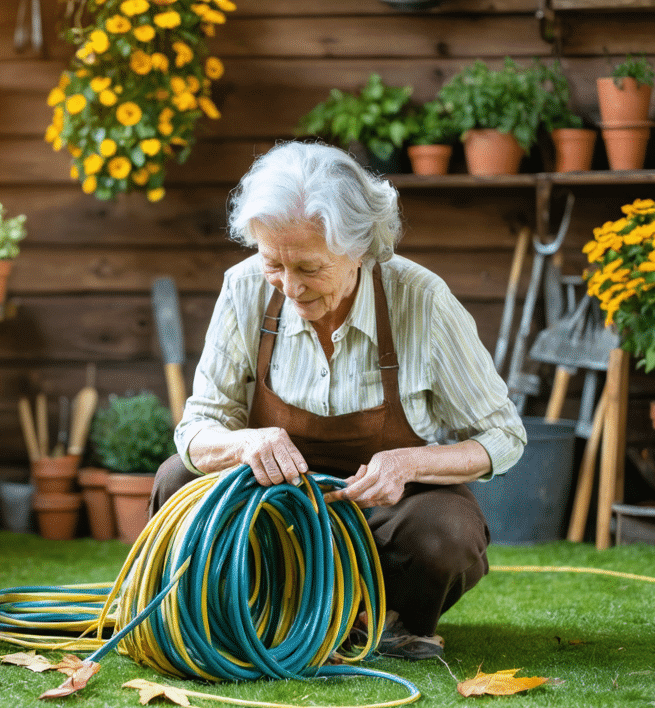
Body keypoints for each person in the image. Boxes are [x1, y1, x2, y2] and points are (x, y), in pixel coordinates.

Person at [148, 141, 526, 660]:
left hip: (381, 517)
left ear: (361, 248)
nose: (290, 287)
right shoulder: (243, 289)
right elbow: (197, 429)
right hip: (271, 511)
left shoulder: (421, 300)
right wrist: (245, 445)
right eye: (273, 263)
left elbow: (503, 437)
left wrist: (409, 463)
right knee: (177, 478)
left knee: (446, 532)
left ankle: (388, 621)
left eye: (309, 267)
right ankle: (237, 615)